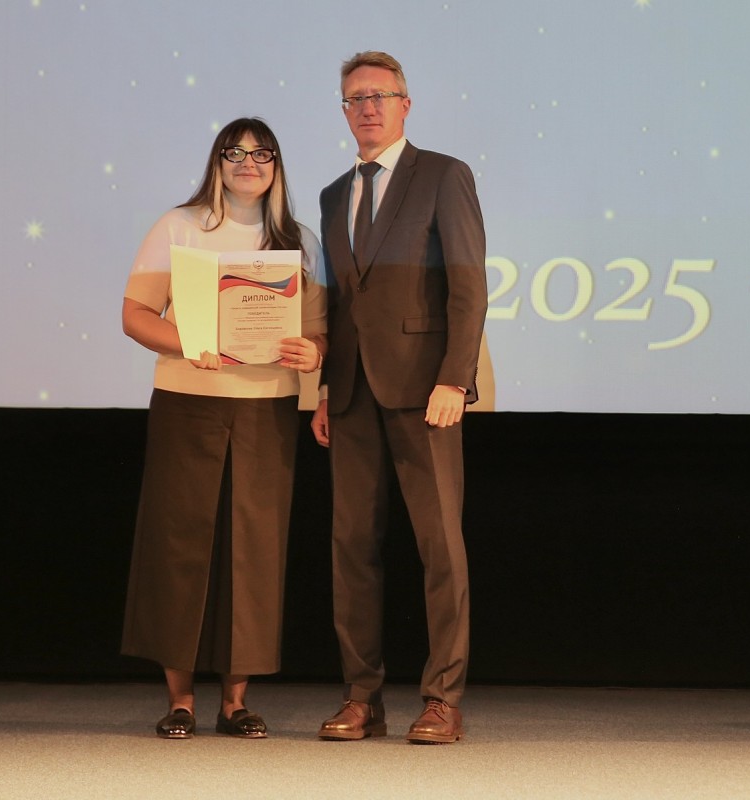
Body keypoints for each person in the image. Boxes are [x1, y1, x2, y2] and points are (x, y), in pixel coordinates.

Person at [120, 117, 326, 740]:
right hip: (188, 403)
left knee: (254, 550)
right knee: (179, 544)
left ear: (277, 166)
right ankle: (180, 700)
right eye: (234, 153)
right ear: (217, 162)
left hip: (267, 408)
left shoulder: (299, 241)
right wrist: (190, 344)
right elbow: (135, 315)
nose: (248, 164)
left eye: (262, 154)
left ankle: (235, 702)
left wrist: (313, 354)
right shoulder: (179, 226)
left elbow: (320, 332)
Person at [311, 51, 487, 745]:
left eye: (380, 96)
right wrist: (326, 389)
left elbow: (468, 286)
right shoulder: (333, 195)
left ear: (405, 105)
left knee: (439, 545)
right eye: (355, 98)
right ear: (344, 111)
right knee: (352, 546)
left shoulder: (443, 175)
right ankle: (362, 698)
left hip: (425, 390)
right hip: (352, 393)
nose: (368, 108)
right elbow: (339, 304)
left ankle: (443, 699)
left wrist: (455, 378)